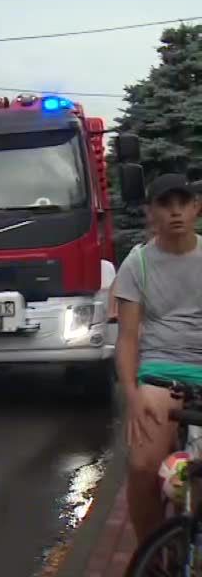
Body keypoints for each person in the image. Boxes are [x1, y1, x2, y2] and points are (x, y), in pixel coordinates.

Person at [114, 173, 202, 543]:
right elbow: (128, 339)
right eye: (166, 205)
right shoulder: (138, 264)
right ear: (152, 213)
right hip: (160, 374)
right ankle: (151, 553)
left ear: (196, 208)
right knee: (141, 465)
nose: (176, 212)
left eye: (183, 203)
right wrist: (132, 396)